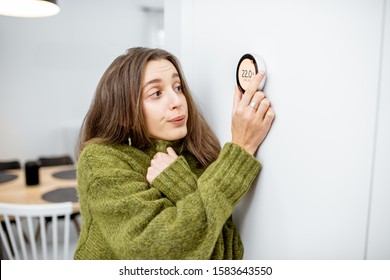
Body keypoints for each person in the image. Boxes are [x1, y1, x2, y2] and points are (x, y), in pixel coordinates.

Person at [74, 47, 274, 260]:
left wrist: (180, 184)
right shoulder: (101, 161)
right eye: (156, 93)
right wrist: (240, 150)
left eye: (177, 87)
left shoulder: (197, 155)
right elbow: (158, 252)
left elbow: (226, 256)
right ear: (124, 113)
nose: (177, 101)